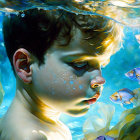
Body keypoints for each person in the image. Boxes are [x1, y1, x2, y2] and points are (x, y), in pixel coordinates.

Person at [0, 8, 123, 140]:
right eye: (80, 64)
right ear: (25, 66)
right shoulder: (29, 136)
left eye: (101, 65)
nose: (100, 80)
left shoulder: (46, 126)